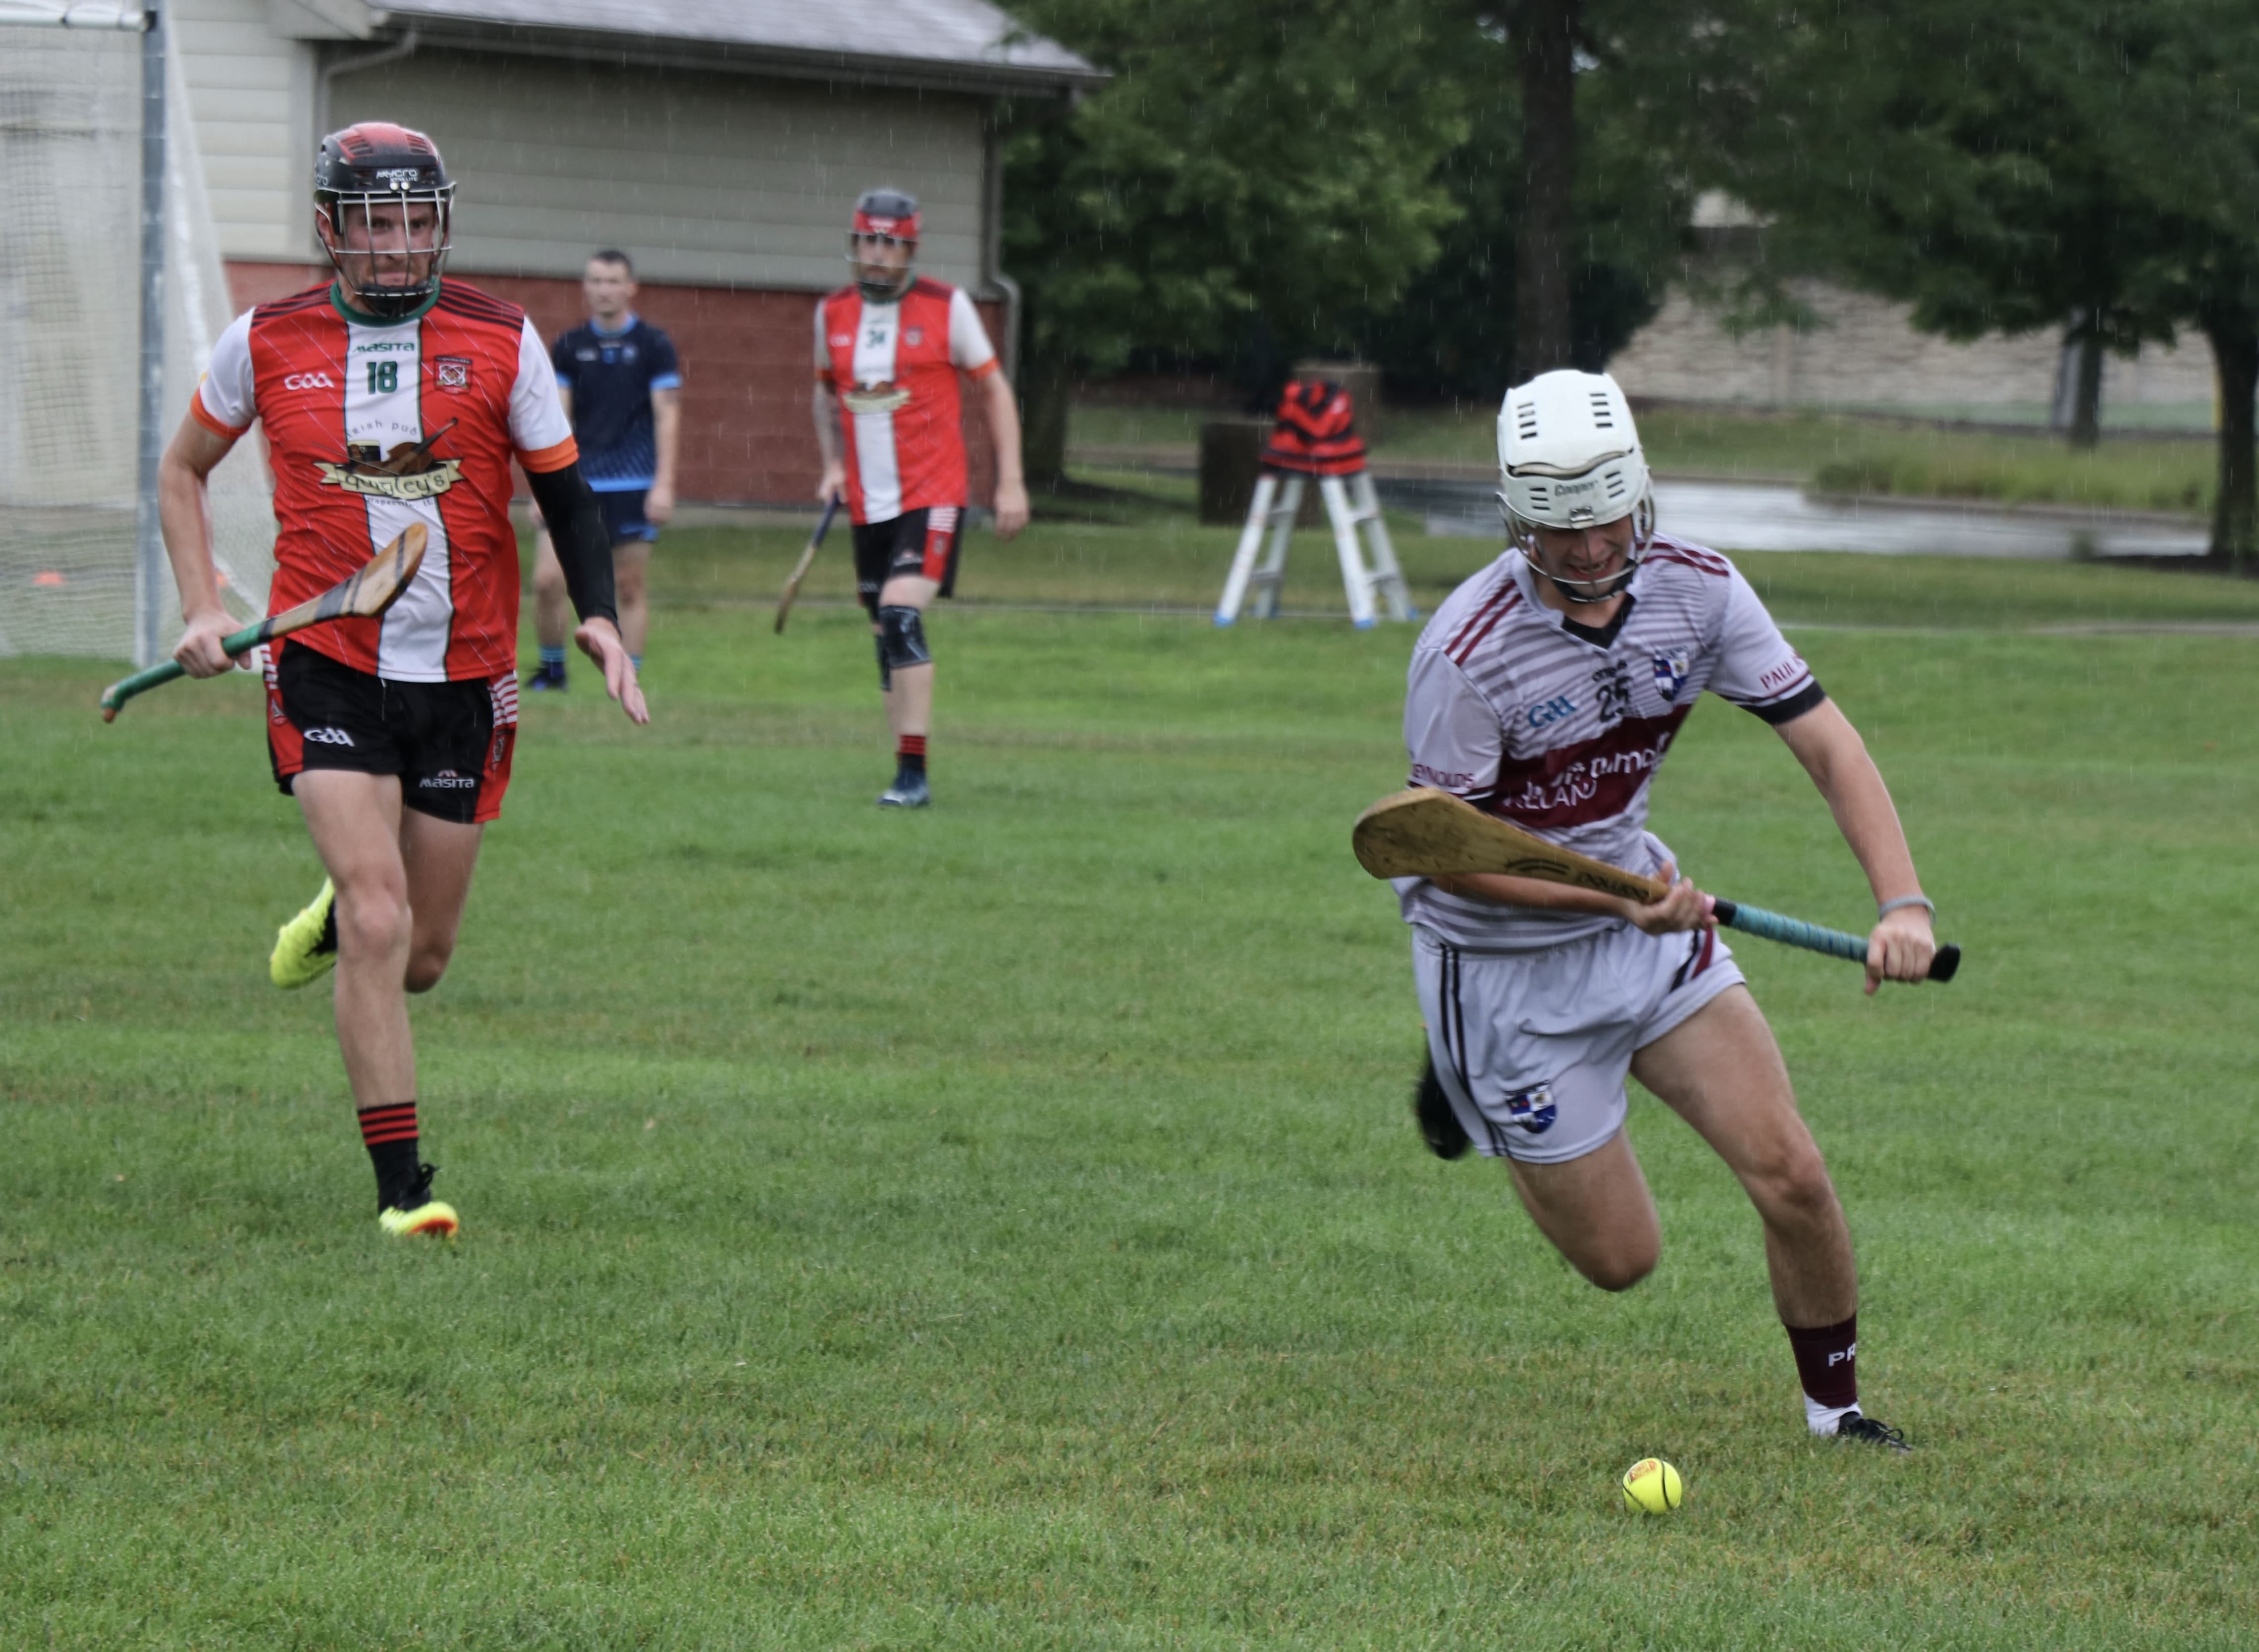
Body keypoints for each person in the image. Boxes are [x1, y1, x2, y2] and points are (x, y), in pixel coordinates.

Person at [1398, 369, 1936, 1449]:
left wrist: (1903, 900)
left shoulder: (1702, 590)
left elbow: (1828, 744)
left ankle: (1837, 1410)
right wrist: (1609, 896)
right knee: (1622, 1259)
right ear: (1516, 522)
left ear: (1639, 494)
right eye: (1563, 532)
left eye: (1607, 521)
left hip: (1646, 923)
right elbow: (1441, 853)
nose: (1593, 551)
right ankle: (1473, 1088)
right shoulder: (1463, 652)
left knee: (1791, 1168)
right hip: (1500, 967)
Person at [158, 122, 647, 1239]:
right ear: (330, 228)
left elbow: (570, 498)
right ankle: (403, 1191)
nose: (397, 246)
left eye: (416, 221)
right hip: (323, 663)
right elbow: (182, 468)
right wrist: (202, 606)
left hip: (466, 675)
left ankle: (348, 897)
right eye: (375, 223)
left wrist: (605, 620)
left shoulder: (503, 337)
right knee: (384, 923)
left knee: (420, 955)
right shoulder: (265, 339)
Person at [812, 187, 1030, 807]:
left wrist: (1010, 480)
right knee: (884, 628)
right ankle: (902, 767)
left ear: (910, 249)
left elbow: (994, 391)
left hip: (933, 491)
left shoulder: (947, 306)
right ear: (854, 244)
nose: (878, 255)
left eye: (891, 244)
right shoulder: (831, 314)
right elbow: (825, 395)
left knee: (903, 610)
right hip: (867, 501)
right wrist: (831, 464)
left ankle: (915, 776)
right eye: (869, 241)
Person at [527, 249, 681, 689]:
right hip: (574, 481)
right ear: (585, 288)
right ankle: (553, 670)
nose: (603, 289)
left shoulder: (654, 346)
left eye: (613, 281)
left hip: (633, 482)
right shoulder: (570, 346)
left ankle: (627, 678)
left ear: (631, 288)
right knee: (547, 581)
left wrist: (665, 483)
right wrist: (543, 486)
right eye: (595, 281)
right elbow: (555, 417)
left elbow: (668, 415)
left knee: (628, 586)